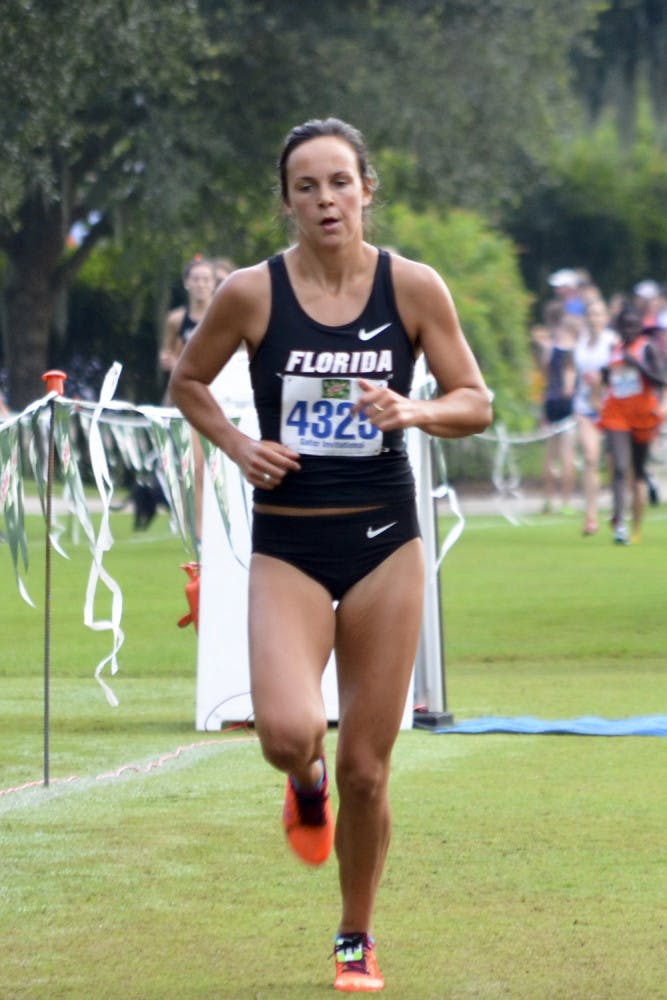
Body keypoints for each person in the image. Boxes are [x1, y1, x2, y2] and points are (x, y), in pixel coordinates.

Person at [169, 117, 492, 993]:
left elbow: (475, 401)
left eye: (339, 183)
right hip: (290, 541)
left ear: (366, 190)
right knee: (286, 734)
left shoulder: (414, 288)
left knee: (369, 767)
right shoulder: (249, 293)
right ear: (286, 201)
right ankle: (300, 783)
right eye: (306, 186)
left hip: (385, 540)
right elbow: (187, 384)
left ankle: (354, 936)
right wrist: (240, 446)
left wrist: (412, 412)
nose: (325, 200)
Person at [159, 255, 217, 543]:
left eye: (206, 279)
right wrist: (170, 360)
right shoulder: (176, 320)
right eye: (196, 279)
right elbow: (166, 356)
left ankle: (218, 524)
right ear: (186, 283)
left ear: (214, 283)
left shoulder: (224, 314)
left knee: (219, 466)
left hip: (221, 398)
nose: (201, 285)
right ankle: (197, 531)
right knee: (192, 466)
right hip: (186, 401)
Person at [598, 305, 667, 544]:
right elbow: (612, 382)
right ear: (618, 328)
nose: (628, 331)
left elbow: (661, 379)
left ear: (639, 328)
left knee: (638, 472)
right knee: (619, 468)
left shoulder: (648, 349)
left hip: (643, 417)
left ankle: (636, 525)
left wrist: (637, 366)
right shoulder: (614, 350)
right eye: (624, 326)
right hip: (616, 415)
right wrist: (606, 375)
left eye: (633, 326)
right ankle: (619, 524)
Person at [572, 298, 618, 535]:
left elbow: (621, 371)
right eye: (590, 314)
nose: (594, 319)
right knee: (590, 458)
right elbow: (576, 373)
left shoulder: (612, 342)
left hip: (610, 407)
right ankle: (591, 516)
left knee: (613, 462)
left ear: (605, 318)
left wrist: (602, 381)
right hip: (584, 407)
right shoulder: (580, 344)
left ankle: (615, 508)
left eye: (598, 314)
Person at [532, 301, 578, 514]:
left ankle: (547, 500)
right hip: (566, 402)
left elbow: (543, 372)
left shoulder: (547, 346)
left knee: (550, 454)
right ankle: (566, 502)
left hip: (550, 401)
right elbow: (570, 377)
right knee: (567, 454)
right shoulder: (571, 346)